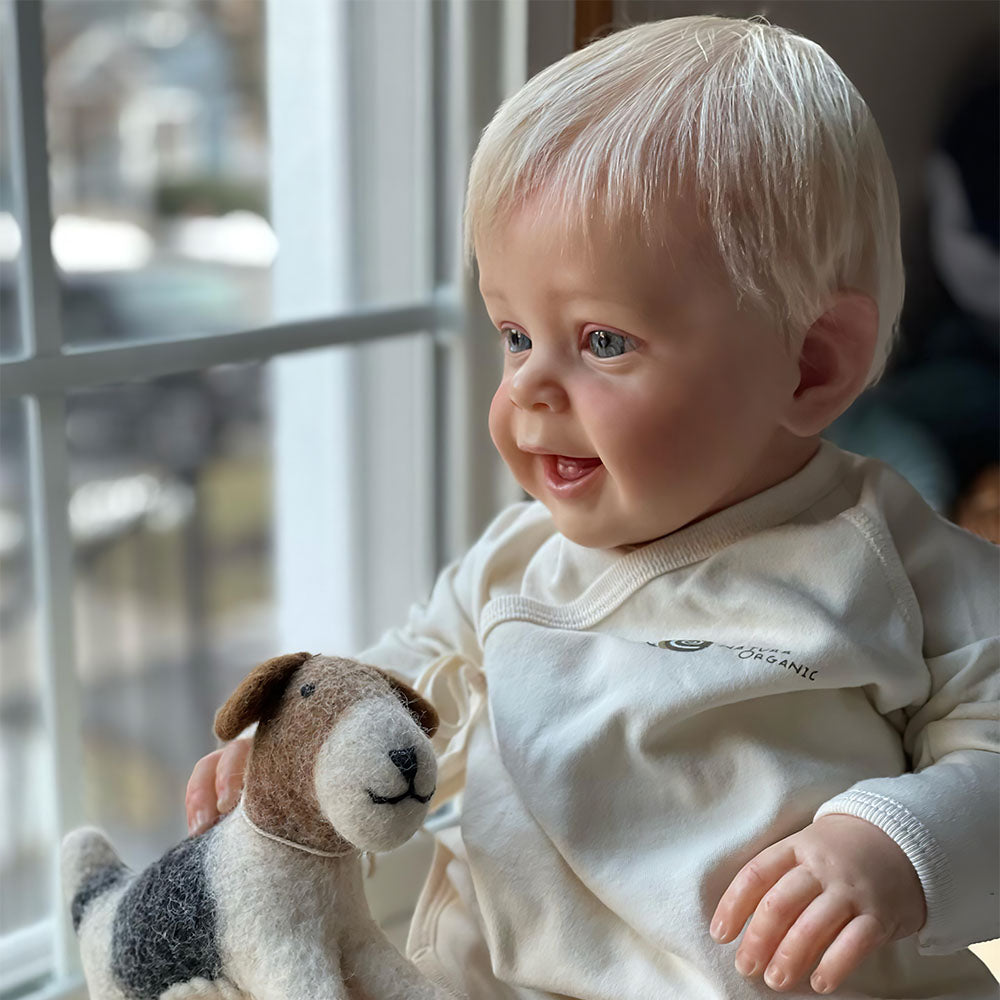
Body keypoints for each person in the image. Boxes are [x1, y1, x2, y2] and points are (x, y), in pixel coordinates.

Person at [185, 16, 999, 999]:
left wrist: (897, 847)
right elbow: (407, 681)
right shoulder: (513, 556)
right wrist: (302, 752)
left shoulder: (891, 560)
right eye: (515, 334)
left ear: (810, 362)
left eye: (602, 341)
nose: (530, 387)